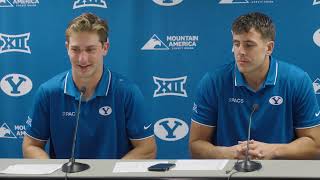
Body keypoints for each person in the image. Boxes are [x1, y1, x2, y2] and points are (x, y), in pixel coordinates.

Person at [23, 13, 156, 159]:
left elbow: (147, 149)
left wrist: (110, 176)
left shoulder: (127, 92)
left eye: (90, 49)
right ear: (67, 48)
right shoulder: (48, 92)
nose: (82, 59)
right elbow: (31, 146)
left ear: (105, 48)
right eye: (75, 49)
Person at [189, 12, 320, 160]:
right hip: (228, 173)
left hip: (281, 172)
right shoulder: (213, 82)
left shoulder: (297, 81)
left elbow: (315, 145)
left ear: (269, 48)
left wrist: (274, 151)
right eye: (236, 44)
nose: (240, 52)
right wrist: (230, 153)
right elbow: (196, 145)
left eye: (249, 45)